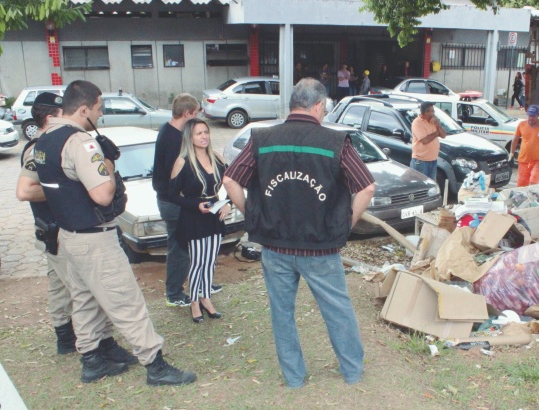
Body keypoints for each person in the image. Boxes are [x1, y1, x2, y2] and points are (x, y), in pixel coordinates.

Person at [34, 80, 195, 386]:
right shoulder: (80, 143)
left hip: (69, 236)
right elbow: (104, 195)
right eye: (99, 109)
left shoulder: (44, 140)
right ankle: (155, 364)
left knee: (83, 300)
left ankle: (92, 359)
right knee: (126, 301)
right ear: (84, 109)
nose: (100, 115)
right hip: (95, 237)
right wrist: (107, 160)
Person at [222, 78, 375, 389]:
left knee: (282, 313)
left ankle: (294, 378)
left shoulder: (262, 138)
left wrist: (254, 215)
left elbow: (230, 180)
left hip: (276, 247)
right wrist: (346, 223)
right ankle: (352, 372)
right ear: (318, 106)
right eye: (326, 108)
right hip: (320, 248)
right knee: (337, 309)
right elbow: (367, 186)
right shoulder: (335, 142)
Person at [15, 92, 77, 356]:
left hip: (55, 228)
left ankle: (65, 340)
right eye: (64, 113)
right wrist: (66, 188)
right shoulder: (38, 148)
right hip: (54, 229)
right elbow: (25, 191)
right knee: (77, 287)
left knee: (59, 286)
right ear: (51, 116)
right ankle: (86, 342)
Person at [152, 94, 221, 308]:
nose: (200, 116)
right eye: (197, 113)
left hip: (178, 201)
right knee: (180, 246)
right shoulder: (174, 139)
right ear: (188, 114)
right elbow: (179, 178)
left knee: (195, 245)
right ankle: (174, 292)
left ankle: (201, 285)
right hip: (173, 202)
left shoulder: (170, 130)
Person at [168, 118, 229, 324]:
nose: (204, 137)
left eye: (206, 132)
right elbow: (173, 195)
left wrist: (227, 203)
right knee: (197, 263)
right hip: (194, 219)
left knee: (210, 261)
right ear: (189, 137)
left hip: (214, 216)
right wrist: (196, 205)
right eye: (198, 134)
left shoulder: (218, 158)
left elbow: (230, 183)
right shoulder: (183, 161)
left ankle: (206, 297)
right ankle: (194, 301)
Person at [509, 105, 539, 187]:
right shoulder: (522, 124)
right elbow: (515, 139)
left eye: (533, 116)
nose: (531, 118)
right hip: (523, 161)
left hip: (538, 161)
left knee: (533, 183)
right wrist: (511, 155)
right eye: (529, 115)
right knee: (521, 186)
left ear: (538, 115)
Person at [410, 101, 446, 180]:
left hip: (433, 160)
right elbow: (425, 140)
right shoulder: (417, 123)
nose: (433, 113)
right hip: (421, 161)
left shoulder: (433, 121)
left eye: (433, 111)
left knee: (431, 185)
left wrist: (438, 124)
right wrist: (437, 133)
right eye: (431, 111)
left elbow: (443, 135)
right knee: (422, 185)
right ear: (426, 112)